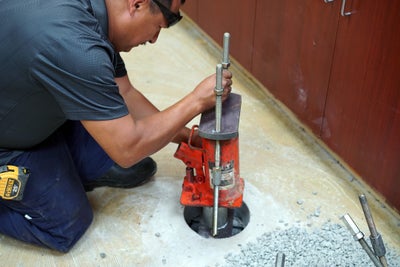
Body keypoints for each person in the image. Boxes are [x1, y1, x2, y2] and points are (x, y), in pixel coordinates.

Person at [0, 0, 232, 252]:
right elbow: (127, 149)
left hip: (28, 102)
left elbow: (126, 94)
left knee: (116, 156)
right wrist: (196, 101)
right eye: (159, 26)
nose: (154, 39)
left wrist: (191, 138)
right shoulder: (76, 47)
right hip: (9, 142)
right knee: (67, 223)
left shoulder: (93, 17)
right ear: (138, 4)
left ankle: (68, 165)